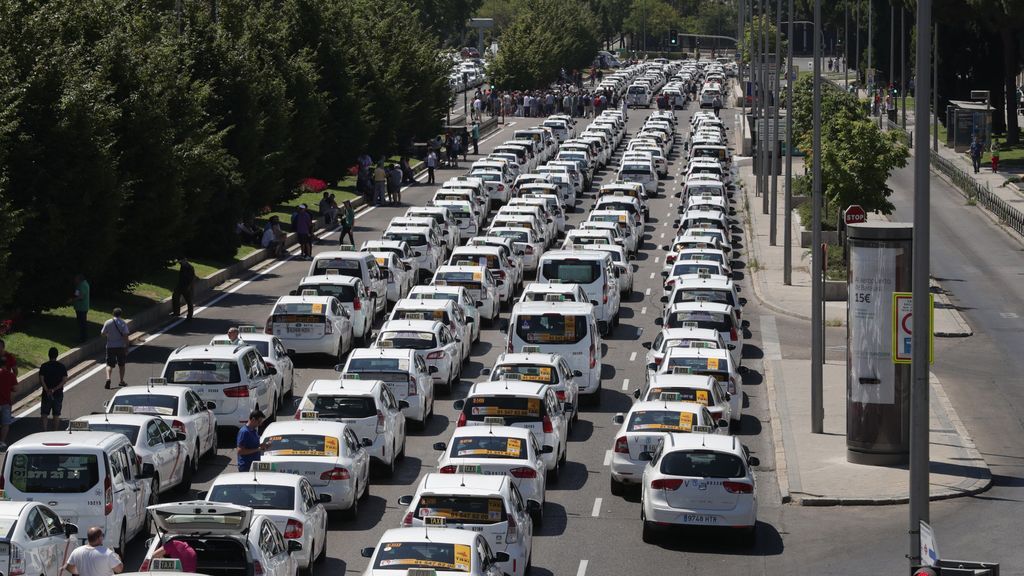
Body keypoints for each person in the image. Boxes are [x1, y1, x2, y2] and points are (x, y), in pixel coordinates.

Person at [38, 347, 67, 432]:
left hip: (46, 394)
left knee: (44, 414)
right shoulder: (61, 366)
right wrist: (55, 389)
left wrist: (47, 389)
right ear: (57, 355)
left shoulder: (44, 366)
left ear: (48, 355)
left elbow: (41, 379)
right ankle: (55, 432)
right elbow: (64, 380)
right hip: (58, 394)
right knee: (56, 414)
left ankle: (44, 431)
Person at [101, 308, 129, 389]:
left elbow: (102, 333)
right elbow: (126, 336)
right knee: (122, 364)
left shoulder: (108, 322)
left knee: (109, 364)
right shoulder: (123, 323)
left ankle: (108, 378)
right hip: (121, 346)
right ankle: (121, 381)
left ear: (113, 313)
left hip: (110, 346)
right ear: (121, 314)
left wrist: (108, 335)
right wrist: (127, 347)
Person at [0, 339, 16, 451]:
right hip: (5, 399)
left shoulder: (10, 357)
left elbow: (15, 370)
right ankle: (2, 441)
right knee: (6, 422)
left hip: (5, 395)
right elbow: (15, 388)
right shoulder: (9, 375)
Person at [72, 274, 90, 343]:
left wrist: (72, 300)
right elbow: (77, 294)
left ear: (79, 279)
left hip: (82, 307)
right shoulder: (81, 284)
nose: (74, 280)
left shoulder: (82, 285)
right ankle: (82, 337)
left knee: (82, 323)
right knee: (81, 323)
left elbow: (81, 297)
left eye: (76, 279)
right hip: (80, 307)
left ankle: (83, 338)